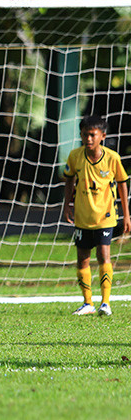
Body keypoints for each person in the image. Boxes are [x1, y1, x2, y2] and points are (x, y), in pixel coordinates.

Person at [62, 115, 130, 316]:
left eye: (92, 135)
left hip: (105, 216)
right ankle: (87, 303)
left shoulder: (112, 158)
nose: (88, 139)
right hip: (82, 217)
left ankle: (106, 302)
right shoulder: (75, 156)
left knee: (103, 255)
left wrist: (127, 215)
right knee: (82, 258)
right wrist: (67, 205)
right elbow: (68, 180)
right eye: (84, 135)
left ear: (102, 136)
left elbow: (122, 184)